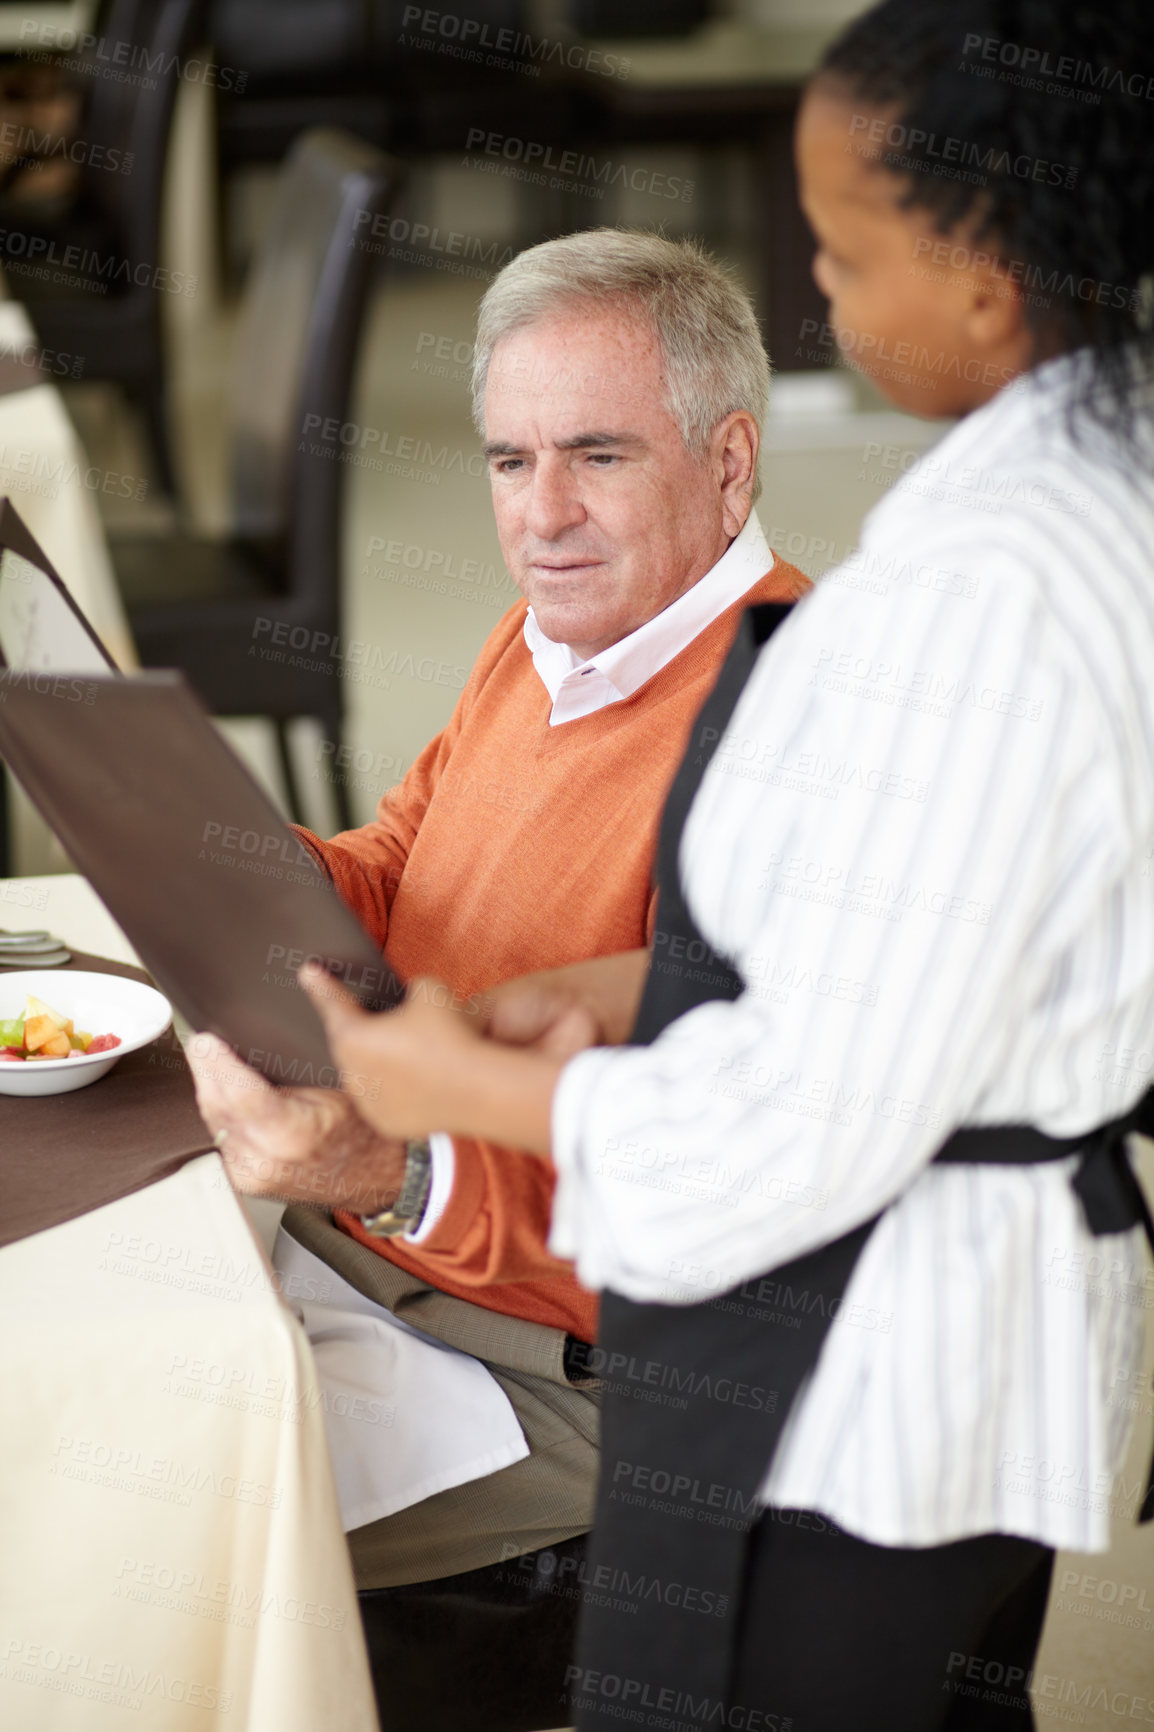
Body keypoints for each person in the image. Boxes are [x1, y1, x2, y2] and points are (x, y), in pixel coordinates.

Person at [289, 3, 1154, 1728]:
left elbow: (796, 1125)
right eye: (512, 462)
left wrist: (446, 1095)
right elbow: (869, 958)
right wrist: (597, 997)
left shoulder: (969, 605)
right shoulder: (1045, 509)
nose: (818, 298)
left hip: (865, 1352)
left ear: (982, 273)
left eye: (838, 248)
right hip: (889, 1303)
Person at [189, 228, 808, 1728]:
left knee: (161, 1530)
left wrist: (391, 1173)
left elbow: (701, 1204)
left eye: (595, 455)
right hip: (374, 1252)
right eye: (507, 460)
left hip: (561, 1382)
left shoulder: (786, 735)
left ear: (728, 465)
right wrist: (204, 853)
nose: (541, 517)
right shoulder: (558, 634)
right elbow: (406, 863)